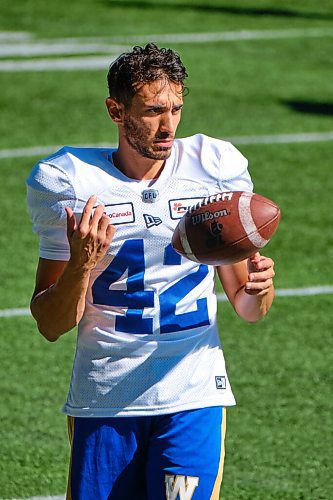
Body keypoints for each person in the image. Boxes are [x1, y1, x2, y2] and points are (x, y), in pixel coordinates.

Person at [26, 43, 275, 500]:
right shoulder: (69, 181)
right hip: (105, 396)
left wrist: (259, 289)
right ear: (115, 110)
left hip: (193, 392)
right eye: (153, 110)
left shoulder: (213, 167)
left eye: (177, 109)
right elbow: (50, 323)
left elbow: (249, 308)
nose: (169, 126)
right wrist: (82, 262)